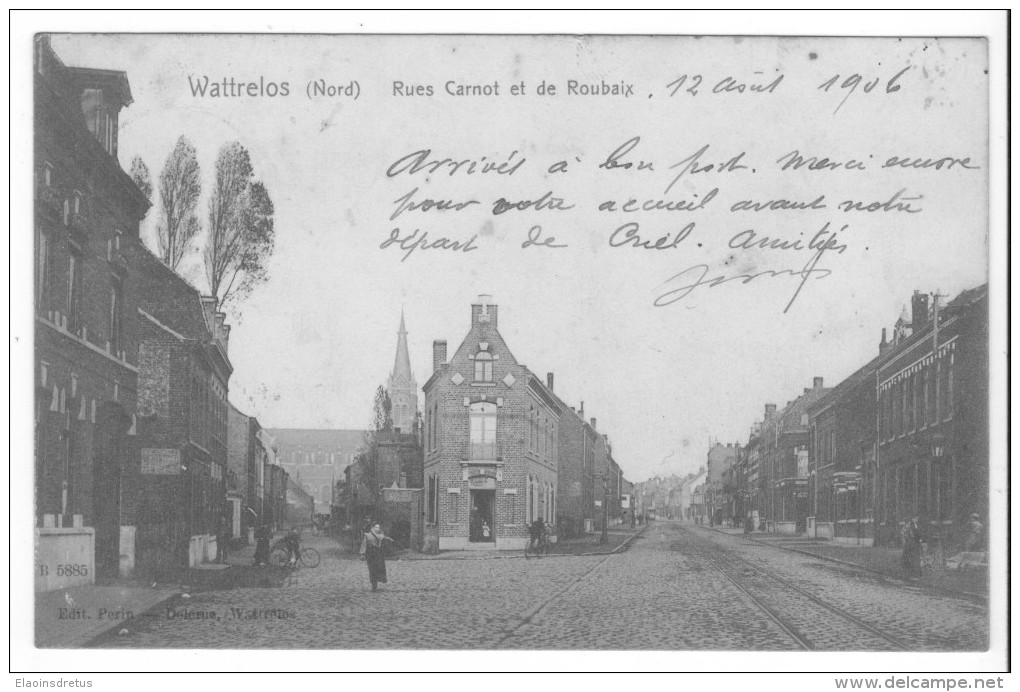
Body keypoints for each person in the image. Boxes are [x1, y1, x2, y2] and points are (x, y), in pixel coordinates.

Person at [360, 521, 392, 591]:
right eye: (376, 527)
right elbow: (364, 544)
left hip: (379, 554)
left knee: (379, 568)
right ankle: (374, 585)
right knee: (372, 569)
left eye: (378, 527)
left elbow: (385, 544)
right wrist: (362, 553)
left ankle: (378, 581)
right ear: (372, 528)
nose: (377, 529)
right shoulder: (367, 535)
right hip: (371, 554)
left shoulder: (382, 535)